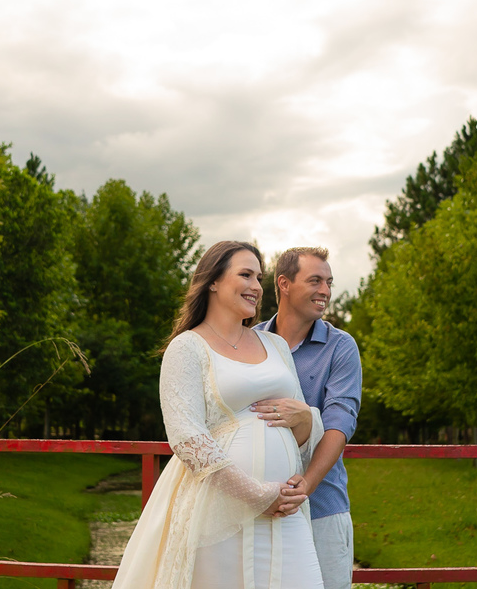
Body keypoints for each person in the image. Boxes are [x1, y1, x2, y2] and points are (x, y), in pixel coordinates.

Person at [111, 241, 325, 589]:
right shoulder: (187, 348)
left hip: (284, 510)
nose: (256, 286)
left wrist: (306, 420)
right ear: (212, 280)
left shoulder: (276, 347)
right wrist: (255, 494)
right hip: (220, 508)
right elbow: (186, 437)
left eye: (259, 277)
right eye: (245, 274)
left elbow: (300, 434)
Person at [252, 247, 362, 589]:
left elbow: (340, 423)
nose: (326, 291)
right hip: (259, 507)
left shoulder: (341, 347)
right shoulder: (250, 342)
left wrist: (307, 486)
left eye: (329, 282)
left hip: (323, 508)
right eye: (315, 280)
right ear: (284, 284)